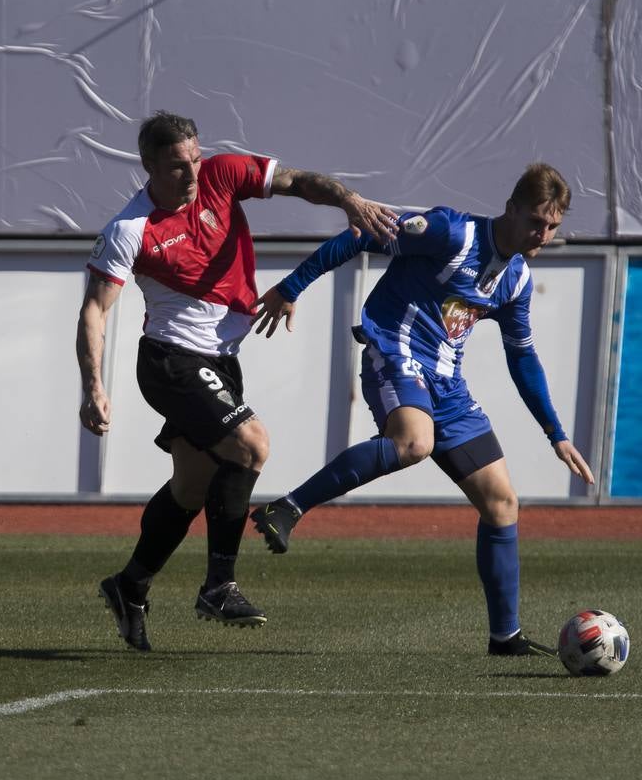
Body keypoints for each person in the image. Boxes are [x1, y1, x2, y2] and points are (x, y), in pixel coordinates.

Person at [79, 110, 397, 652]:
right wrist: (93, 387)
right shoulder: (130, 229)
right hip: (171, 360)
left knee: (192, 486)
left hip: (221, 358)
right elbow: (95, 310)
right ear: (148, 165)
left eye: (196, 159)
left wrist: (347, 199)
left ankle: (130, 583)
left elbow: (297, 181)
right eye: (178, 165)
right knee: (251, 446)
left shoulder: (222, 175)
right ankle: (218, 586)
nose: (192, 173)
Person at [250, 162, 594, 657]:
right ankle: (289, 507)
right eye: (536, 221)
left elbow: (522, 356)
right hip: (394, 350)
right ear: (511, 209)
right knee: (415, 442)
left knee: (501, 503)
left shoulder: (515, 278)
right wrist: (291, 287)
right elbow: (358, 235)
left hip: (448, 384)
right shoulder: (451, 232)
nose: (544, 233)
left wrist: (555, 434)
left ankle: (505, 636)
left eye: (553, 226)